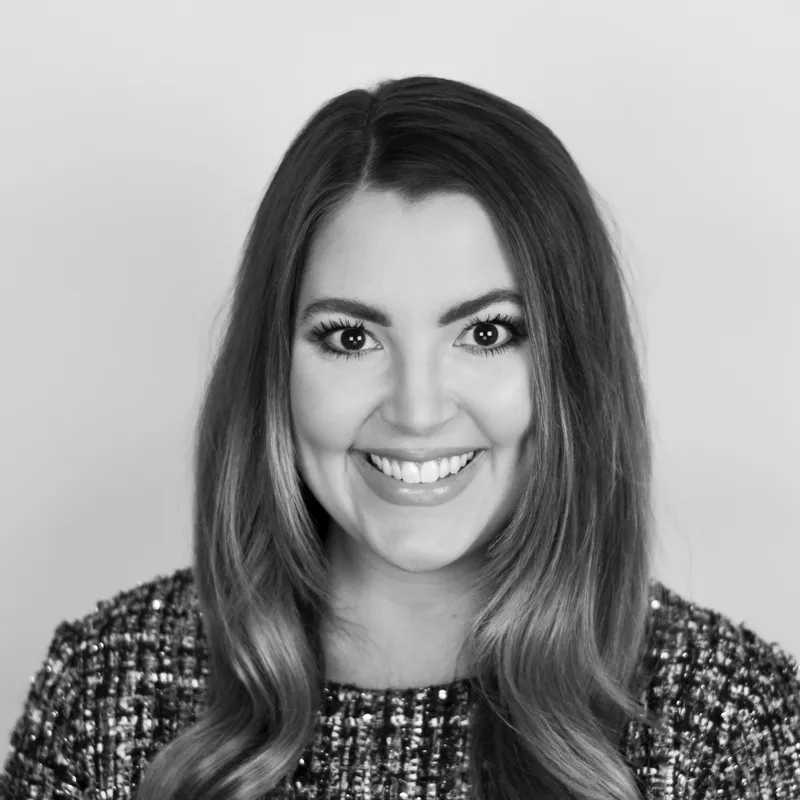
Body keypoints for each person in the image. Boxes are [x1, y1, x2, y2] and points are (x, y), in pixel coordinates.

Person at [1, 75, 798, 800]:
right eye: (351, 339)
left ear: (572, 366)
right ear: (274, 365)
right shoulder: (109, 683)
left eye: (486, 333)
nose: (417, 411)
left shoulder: (727, 718)